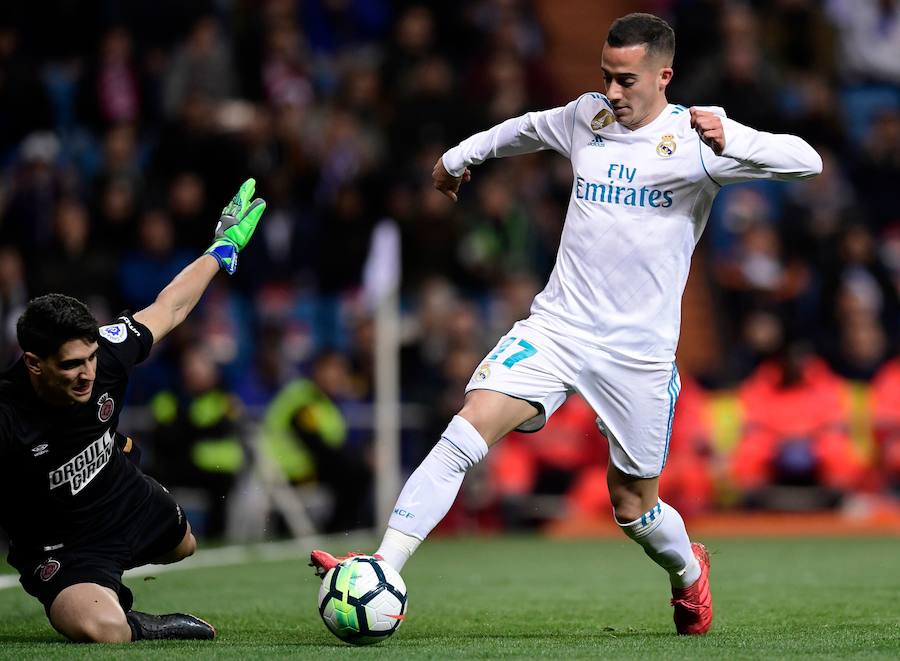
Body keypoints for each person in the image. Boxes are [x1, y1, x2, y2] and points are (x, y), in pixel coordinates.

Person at [311, 12, 822, 636]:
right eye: (607, 76)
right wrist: (458, 157)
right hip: (559, 328)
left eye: (627, 80)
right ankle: (384, 567)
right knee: (464, 430)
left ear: (664, 76)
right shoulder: (589, 117)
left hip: (638, 355)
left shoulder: (698, 143)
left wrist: (734, 136)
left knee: (632, 507)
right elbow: (525, 129)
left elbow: (808, 161)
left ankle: (689, 572)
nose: (613, 92)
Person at [0, 179, 265, 643]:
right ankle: (131, 618)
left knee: (185, 546)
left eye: (89, 359)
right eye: (70, 366)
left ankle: (108, 580)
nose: (86, 374)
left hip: (119, 493)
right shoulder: (7, 416)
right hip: (58, 542)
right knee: (106, 630)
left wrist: (220, 249)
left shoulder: (107, 352)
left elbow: (171, 307)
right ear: (34, 364)